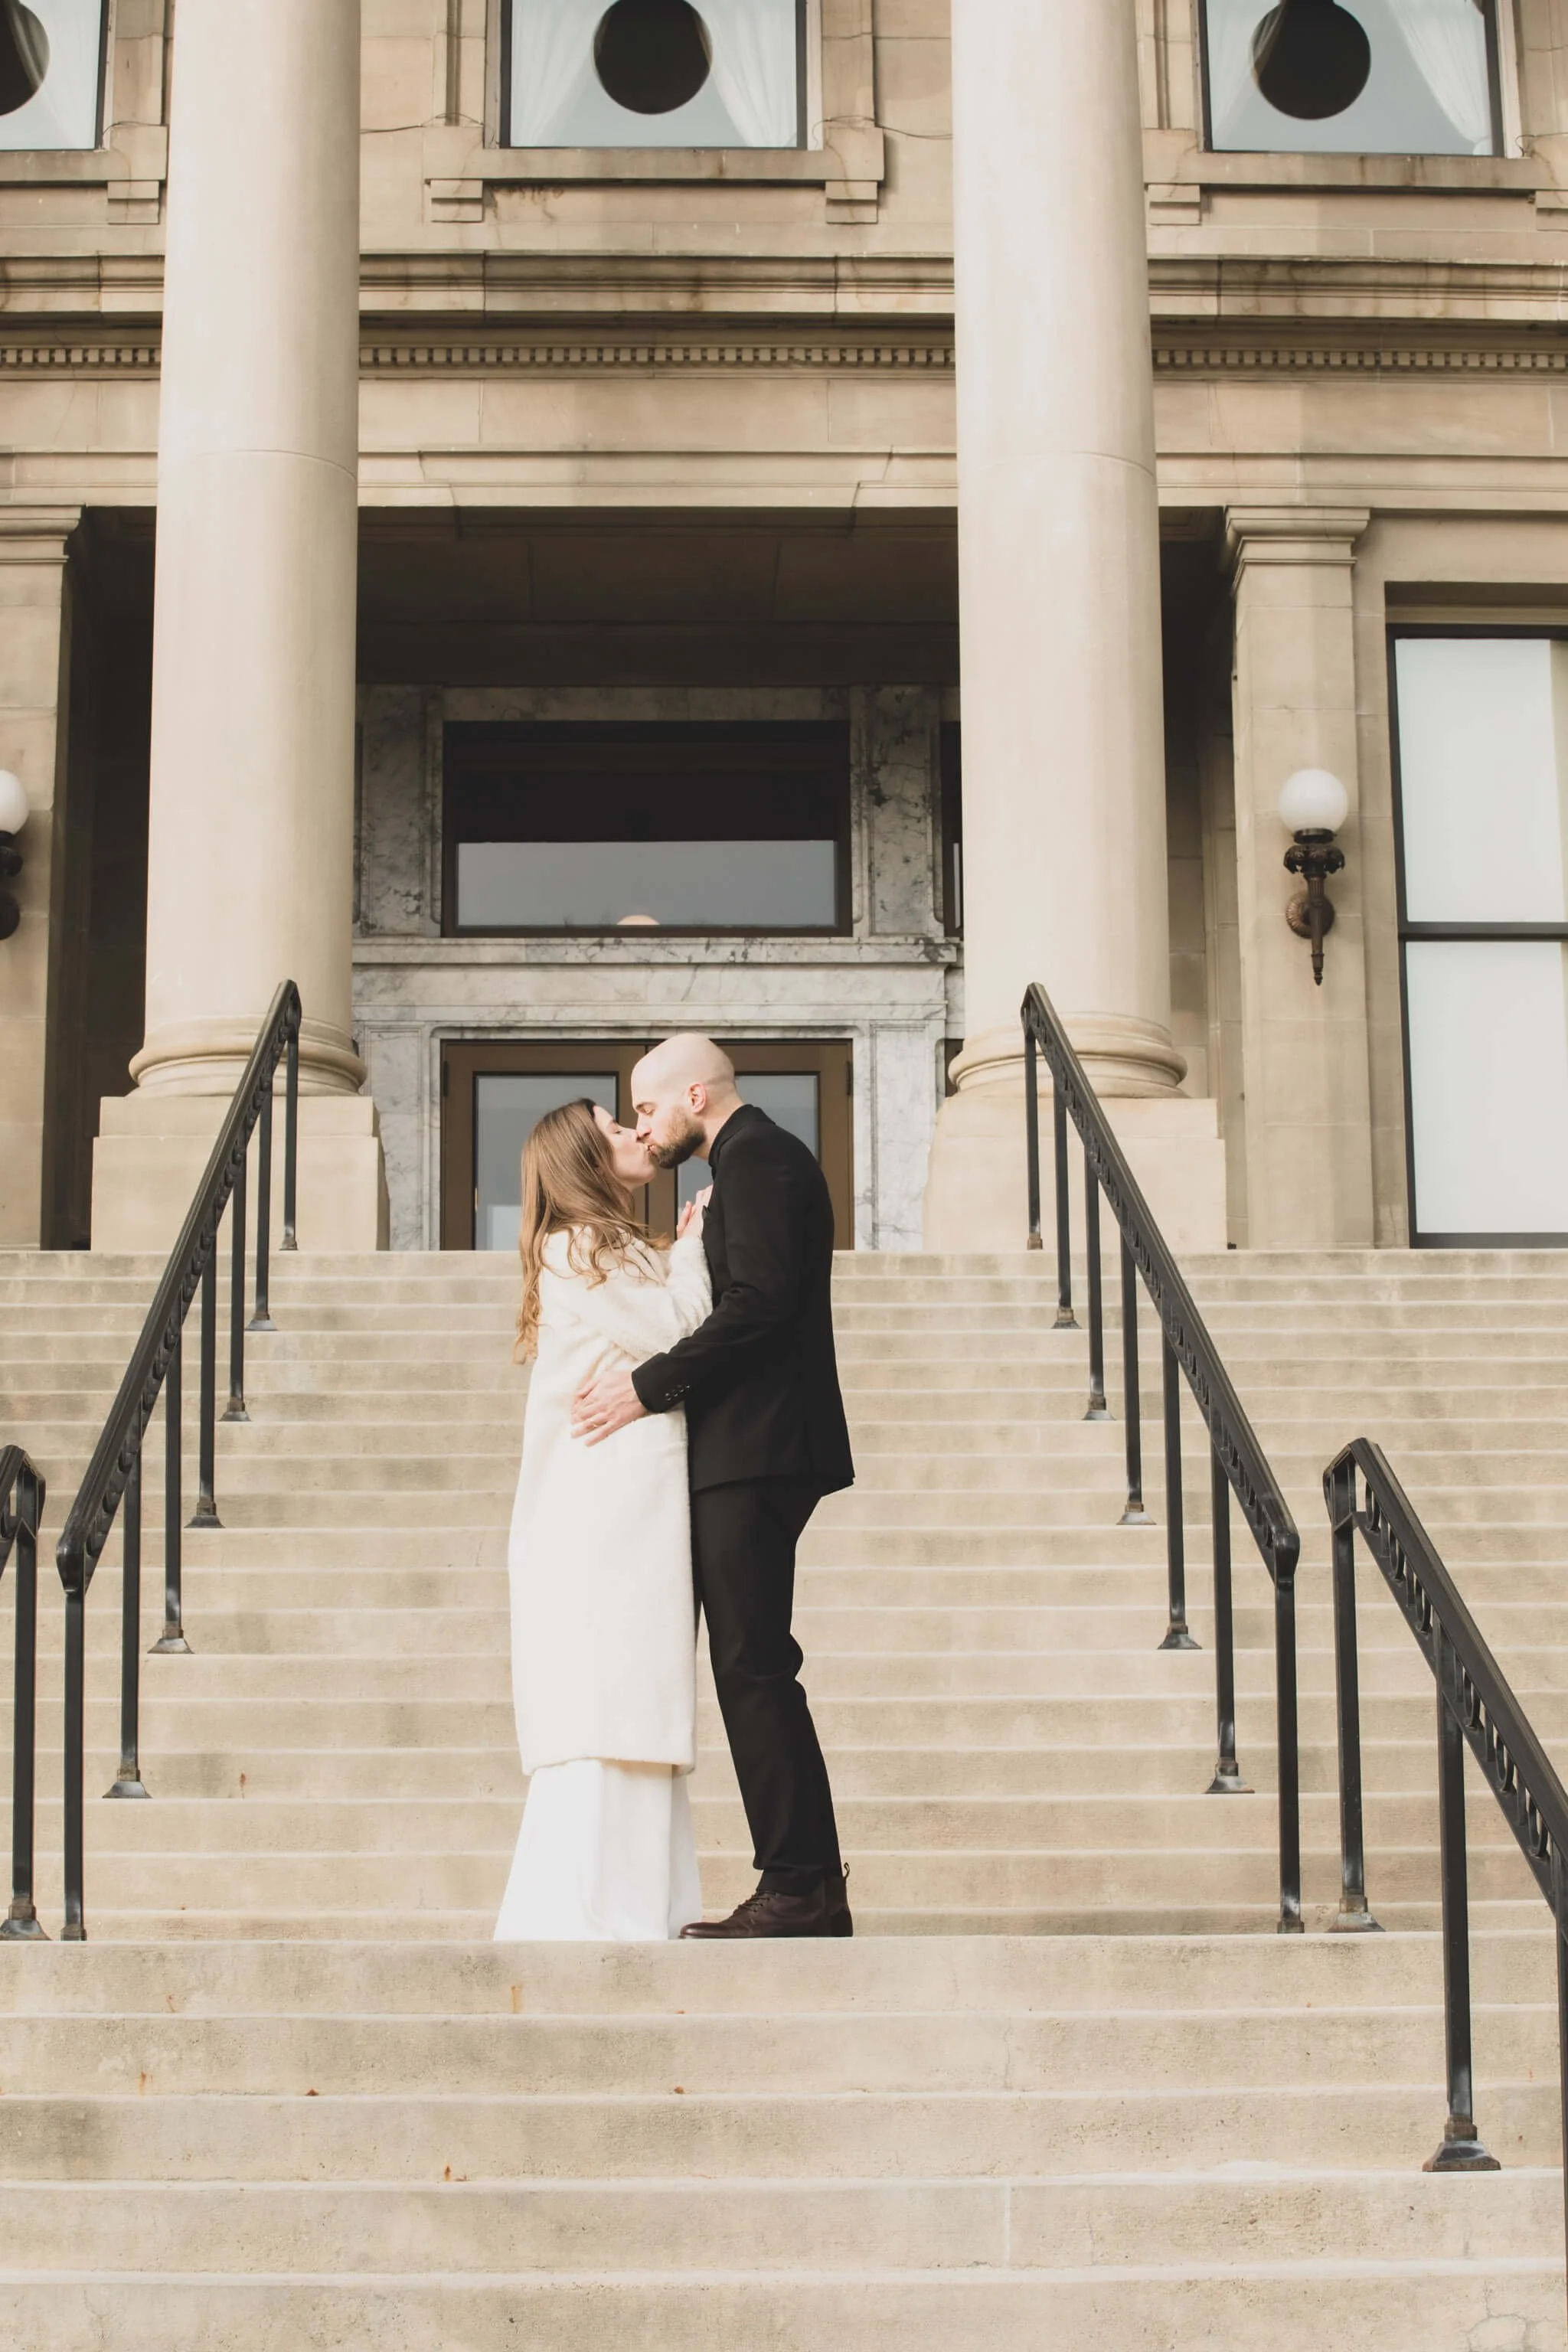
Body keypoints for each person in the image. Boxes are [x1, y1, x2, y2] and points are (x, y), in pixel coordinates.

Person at [571, 1034, 856, 1940]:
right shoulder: (743, 1166)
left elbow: (762, 1305)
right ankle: (802, 1879)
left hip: (760, 1448)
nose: (644, 1128)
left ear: (694, 1093)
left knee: (753, 1665)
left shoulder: (762, 1157)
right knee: (751, 1662)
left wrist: (648, 1384)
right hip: (749, 1445)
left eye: (647, 1109)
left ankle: (801, 1882)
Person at [494, 1097, 713, 1942]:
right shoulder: (578, 1244)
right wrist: (692, 1248)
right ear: (583, 1156)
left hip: (622, 1504)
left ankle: (631, 1904)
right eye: (614, 1128)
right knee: (612, 1699)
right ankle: (598, 1913)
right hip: (602, 1512)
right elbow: (676, 1328)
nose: (633, 1133)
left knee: (629, 1698)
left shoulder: (606, 1245)